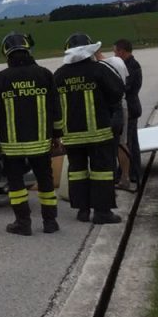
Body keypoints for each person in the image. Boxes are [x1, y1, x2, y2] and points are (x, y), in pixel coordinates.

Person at [0, 32, 63, 236]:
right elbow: (56, 109)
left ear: (6, 54)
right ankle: (50, 222)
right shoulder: (44, 75)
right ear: (28, 50)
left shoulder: (0, 79)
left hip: (12, 146)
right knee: (45, 181)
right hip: (42, 144)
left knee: (16, 185)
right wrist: (57, 135)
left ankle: (23, 223)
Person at [53, 33, 125, 224]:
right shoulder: (99, 70)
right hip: (99, 134)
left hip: (72, 137)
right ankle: (102, 213)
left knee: (77, 172)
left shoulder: (59, 75)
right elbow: (117, 92)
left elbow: (52, 105)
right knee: (101, 172)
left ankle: (82, 210)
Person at [97, 47, 131, 188]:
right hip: (123, 105)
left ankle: (108, 182)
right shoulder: (118, 61)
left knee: (108, 146)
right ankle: (125, 178)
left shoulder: (100, 67)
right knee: (121, 144)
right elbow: (127, 81)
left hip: (110, 109)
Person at [114, 38, 143, 188]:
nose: (114, 54)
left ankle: (130, 173)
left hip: (130, 109)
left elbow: (126, 87)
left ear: (121, 51)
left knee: (127, 144)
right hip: (133, 108)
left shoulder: (131, 66)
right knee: (131, 143)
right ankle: (131, 172)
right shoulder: (131, 64)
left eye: (115, 51)